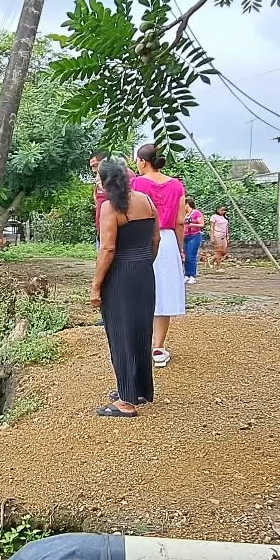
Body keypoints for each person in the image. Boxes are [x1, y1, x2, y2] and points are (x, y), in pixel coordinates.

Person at [90, 156, 158, 417]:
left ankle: (126, 402)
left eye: (97, 177)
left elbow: (107, 249)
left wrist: (96, 286)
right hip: (144, 273)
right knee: (141, 331)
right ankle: (138, 389)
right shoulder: (146, 200)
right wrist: (145, 263)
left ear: (105, 181)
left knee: (121, 335)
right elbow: (155, 238)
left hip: (120, 275)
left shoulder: (111, 207)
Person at [130, 143, 187, 367]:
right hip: (168, 240)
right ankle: (158, 348)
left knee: (140, 291)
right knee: (164, 293)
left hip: (143, 238)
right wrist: (180, 248)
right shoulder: (176, 185)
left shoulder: (137, 183)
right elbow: (180, 221)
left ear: (143, 161)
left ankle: (139, 346)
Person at [182, 197, 205, 284]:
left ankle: (192, 275)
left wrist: (193, 225)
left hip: (194, 236)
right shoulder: (183, 214)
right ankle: (186, 275)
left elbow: (202, 224)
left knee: (191, 256)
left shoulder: (196, 213)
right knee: (185, 256)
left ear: (187, 204)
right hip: (185, 236)